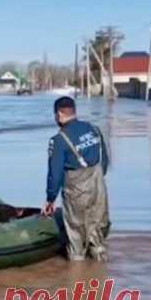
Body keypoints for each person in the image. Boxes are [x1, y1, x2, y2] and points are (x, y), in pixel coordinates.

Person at [42, 96, 110, 261]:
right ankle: (100, 271)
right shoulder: (94, 129)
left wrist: (50, 199)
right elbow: (105, 160)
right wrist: (97, 180)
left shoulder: (58, 140)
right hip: (98, 187)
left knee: (76, 235)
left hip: (76, 191)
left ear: (59, 114)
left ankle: (77, 276)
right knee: (97, 230)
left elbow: (55, 174)